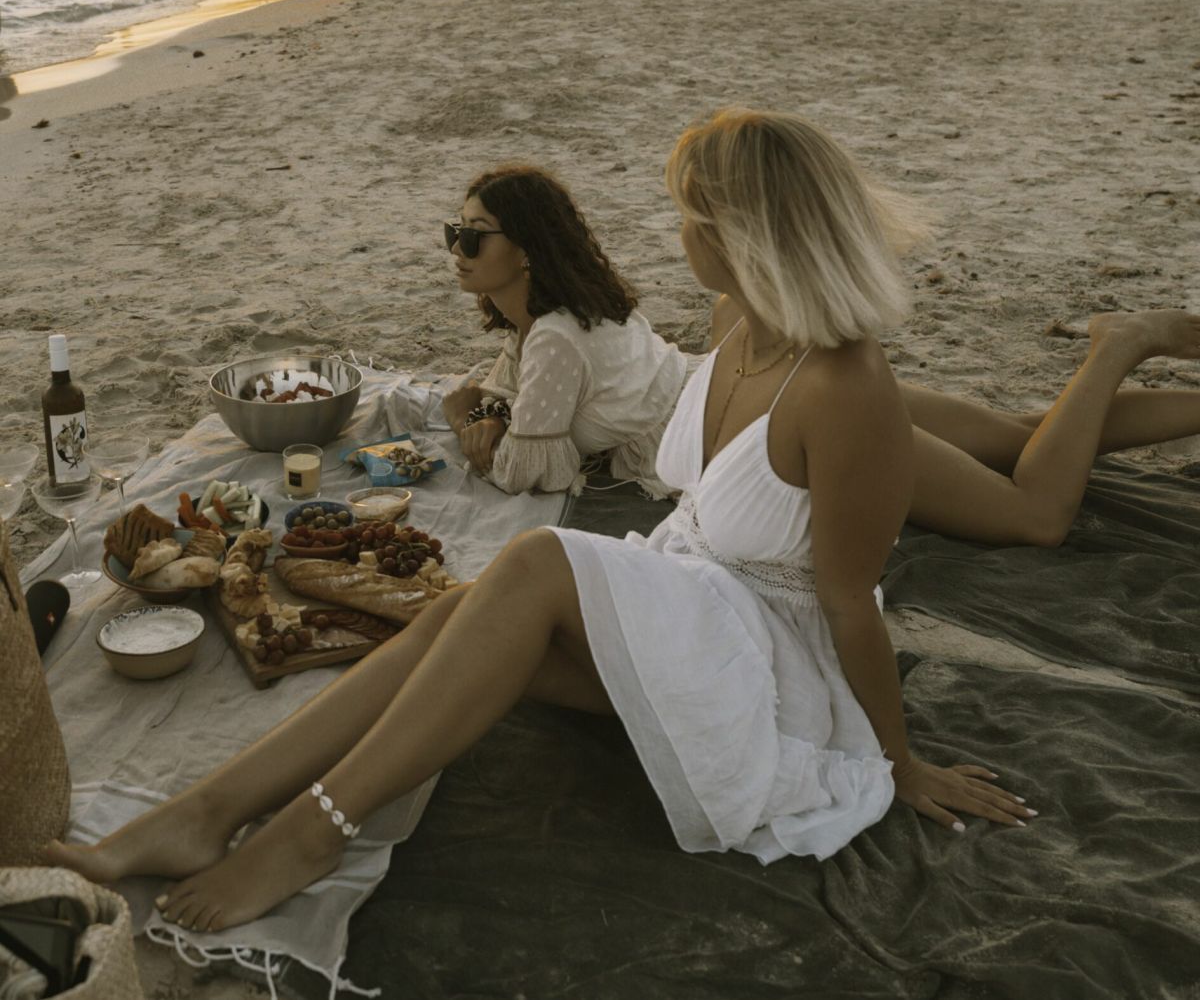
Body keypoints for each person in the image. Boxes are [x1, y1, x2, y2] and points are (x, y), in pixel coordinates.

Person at [47, 109, 1040, 934]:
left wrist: (897, 763)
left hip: (767, 668)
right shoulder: (737, 322)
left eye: (687, 215)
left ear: (740, 231)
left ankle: (310, 832)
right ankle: (208, 809)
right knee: (456, 609)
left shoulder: (848, 387)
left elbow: (849, 603)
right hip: (694, 609)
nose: (678, 233)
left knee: (532, 561)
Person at [439, 165, 689, 497]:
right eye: (457, 232)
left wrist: (463, 422)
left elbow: (521, 472)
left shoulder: (555, 335)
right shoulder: (546, 309)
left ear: (526, 248)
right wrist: (493, 417)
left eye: (475, 237)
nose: (457, 249)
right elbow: (513, 394)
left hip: (695, 435)